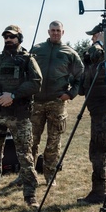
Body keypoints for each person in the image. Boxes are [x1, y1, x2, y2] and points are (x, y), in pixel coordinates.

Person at [0, 25, 43, 208]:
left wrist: (13, 96)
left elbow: (36, 83)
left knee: (25, 156)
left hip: (20, 115)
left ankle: (30, 195)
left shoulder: (28, 59)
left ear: (19, 39)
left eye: (12, 37)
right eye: (5, 37)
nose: (8, 40)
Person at [29, 20, 84, 186]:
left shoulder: (70, 53)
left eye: (58, 31)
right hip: (36, 103)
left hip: (57, 103)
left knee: (53, 143)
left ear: (63, 32)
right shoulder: (37, 50)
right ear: (48, 31)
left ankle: (50, 176)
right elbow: (26, 72)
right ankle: (28, 175)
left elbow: (81, 77)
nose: (55, 33)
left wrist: (70, 94)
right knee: (31, 141)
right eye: (53, 30)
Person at [77, 23, 106, 205]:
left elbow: (100, 55)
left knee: (97, 149)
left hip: (105, 105)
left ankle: (99, 192)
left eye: (94, 36)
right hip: (96, 105)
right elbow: (85, 78)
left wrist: (100, 44)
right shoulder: (97, 53)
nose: (91, 39)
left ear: (102, 36)